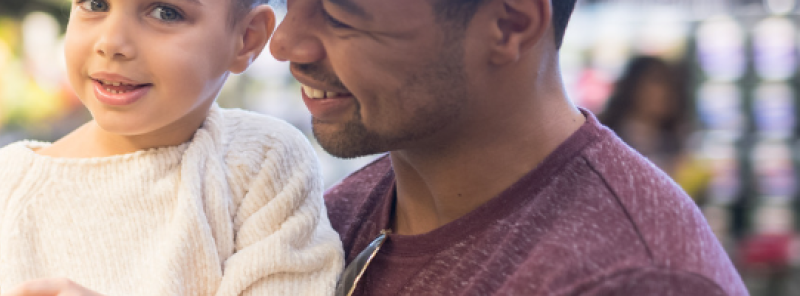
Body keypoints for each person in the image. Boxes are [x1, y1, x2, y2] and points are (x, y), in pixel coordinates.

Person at [267, 0, 748, 294]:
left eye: (340, 14)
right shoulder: (330, 218)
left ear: (509, 25)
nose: (285, 43)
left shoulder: (633, 279)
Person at [0, 0, 345, 295]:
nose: (111, 43)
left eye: (165, 12)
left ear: (246, 39)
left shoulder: (263, 162)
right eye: (94, 4)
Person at [599, 56, 694, 174]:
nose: (665, 91)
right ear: (633, 85)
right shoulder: (606, 139)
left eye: (670, 83)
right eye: (656, 81)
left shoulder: (675, 142)